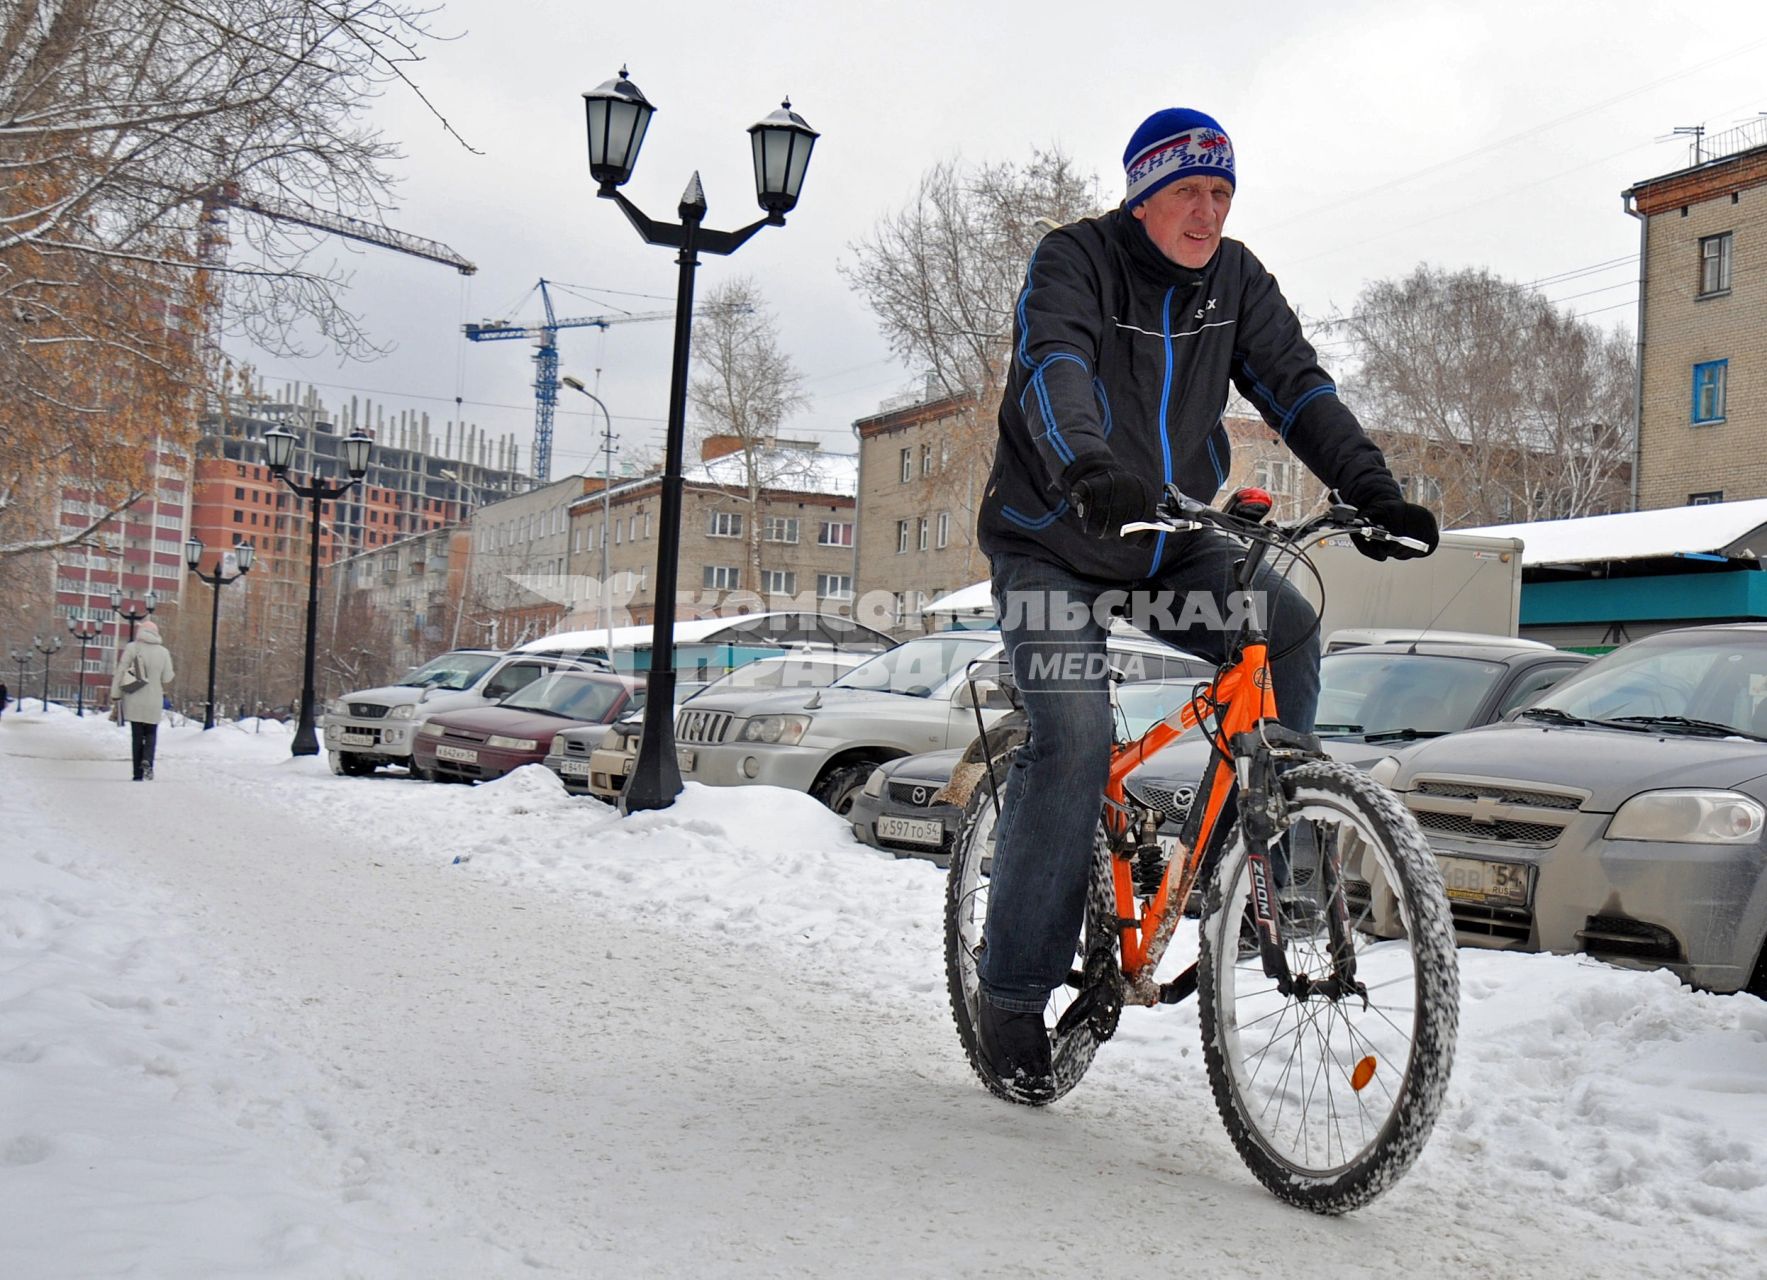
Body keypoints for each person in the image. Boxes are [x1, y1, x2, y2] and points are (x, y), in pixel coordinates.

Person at [972, 108, 1440, 1101]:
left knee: (1292, 623)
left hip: (1169, 537)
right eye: (1189, 191)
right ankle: (1011, 994)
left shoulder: (1236, 282)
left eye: (1222, 193)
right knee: (1075, 729)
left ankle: (1255, 870)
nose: (1208, 211)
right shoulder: (1077, 261)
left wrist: (1376, 487)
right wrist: (1087, 461)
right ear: (1142, 195)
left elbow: (1299, 390)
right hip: (1055, 534)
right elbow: (1052, 368)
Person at [110, 618, 176, 781]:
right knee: (151, 733)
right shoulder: (163, 652)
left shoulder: (132, 648)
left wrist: (116, 693)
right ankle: (148, 761)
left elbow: (121, 671)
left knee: (137, 735)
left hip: (134, 697)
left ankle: (137, 773)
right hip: (154, 699)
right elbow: (167, 677)